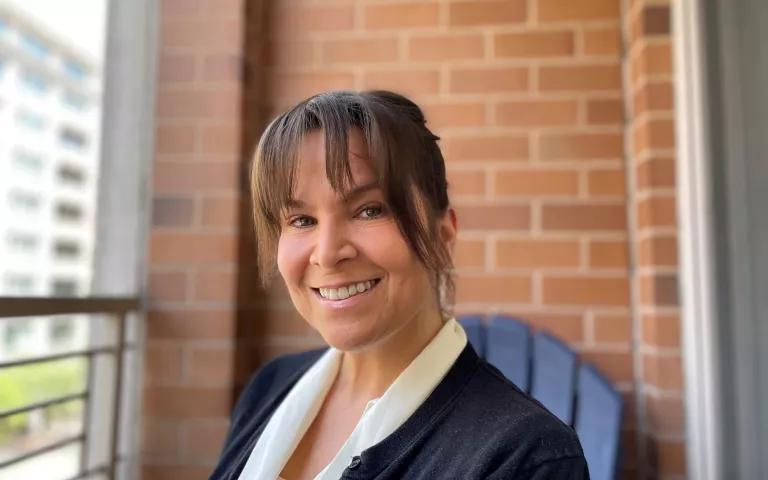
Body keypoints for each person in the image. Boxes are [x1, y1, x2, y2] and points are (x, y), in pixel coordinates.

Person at [210, 90, 589, 479]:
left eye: (369, 210)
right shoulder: (270, 388)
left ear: (444, 236)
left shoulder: (523, 458)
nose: (326, 254)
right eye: (302, 220)